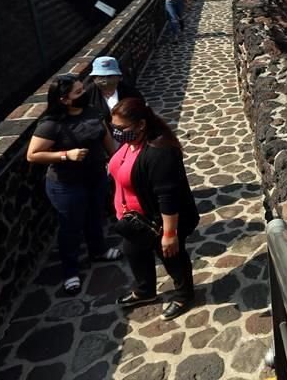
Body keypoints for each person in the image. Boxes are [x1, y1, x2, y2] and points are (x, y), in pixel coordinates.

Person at [27, 74, 121, 295]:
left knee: (94, 216)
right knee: (70, 227)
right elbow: (32, 154)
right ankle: (70, 271)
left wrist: (117, 162)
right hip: (67, 185)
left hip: (95, 177)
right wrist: (65, 155)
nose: (84, 93)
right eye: (78, 92)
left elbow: (106, 138)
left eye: (82, 89)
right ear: (64, 99)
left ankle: (98, 251)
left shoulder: (92, 111)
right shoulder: (51, 125)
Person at [109, 97, 200, 320]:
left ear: (141, 124)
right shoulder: (131, 143)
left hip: (157, 221)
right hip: (134, 220)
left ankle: (184, 294)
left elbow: (167, 196)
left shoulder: (160, 152)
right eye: (114, 127)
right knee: (133, 252)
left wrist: (169, 234)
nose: (116, 132)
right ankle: (145, 291)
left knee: (171, 257)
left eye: (121, 128)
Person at [84, 56, 144, 126]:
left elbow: (142, 113)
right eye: (101, 76)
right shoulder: (87, 94)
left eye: (110, 76)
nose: (105, 80)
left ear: (119, 77)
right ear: (94, 78)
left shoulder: (131, 92)